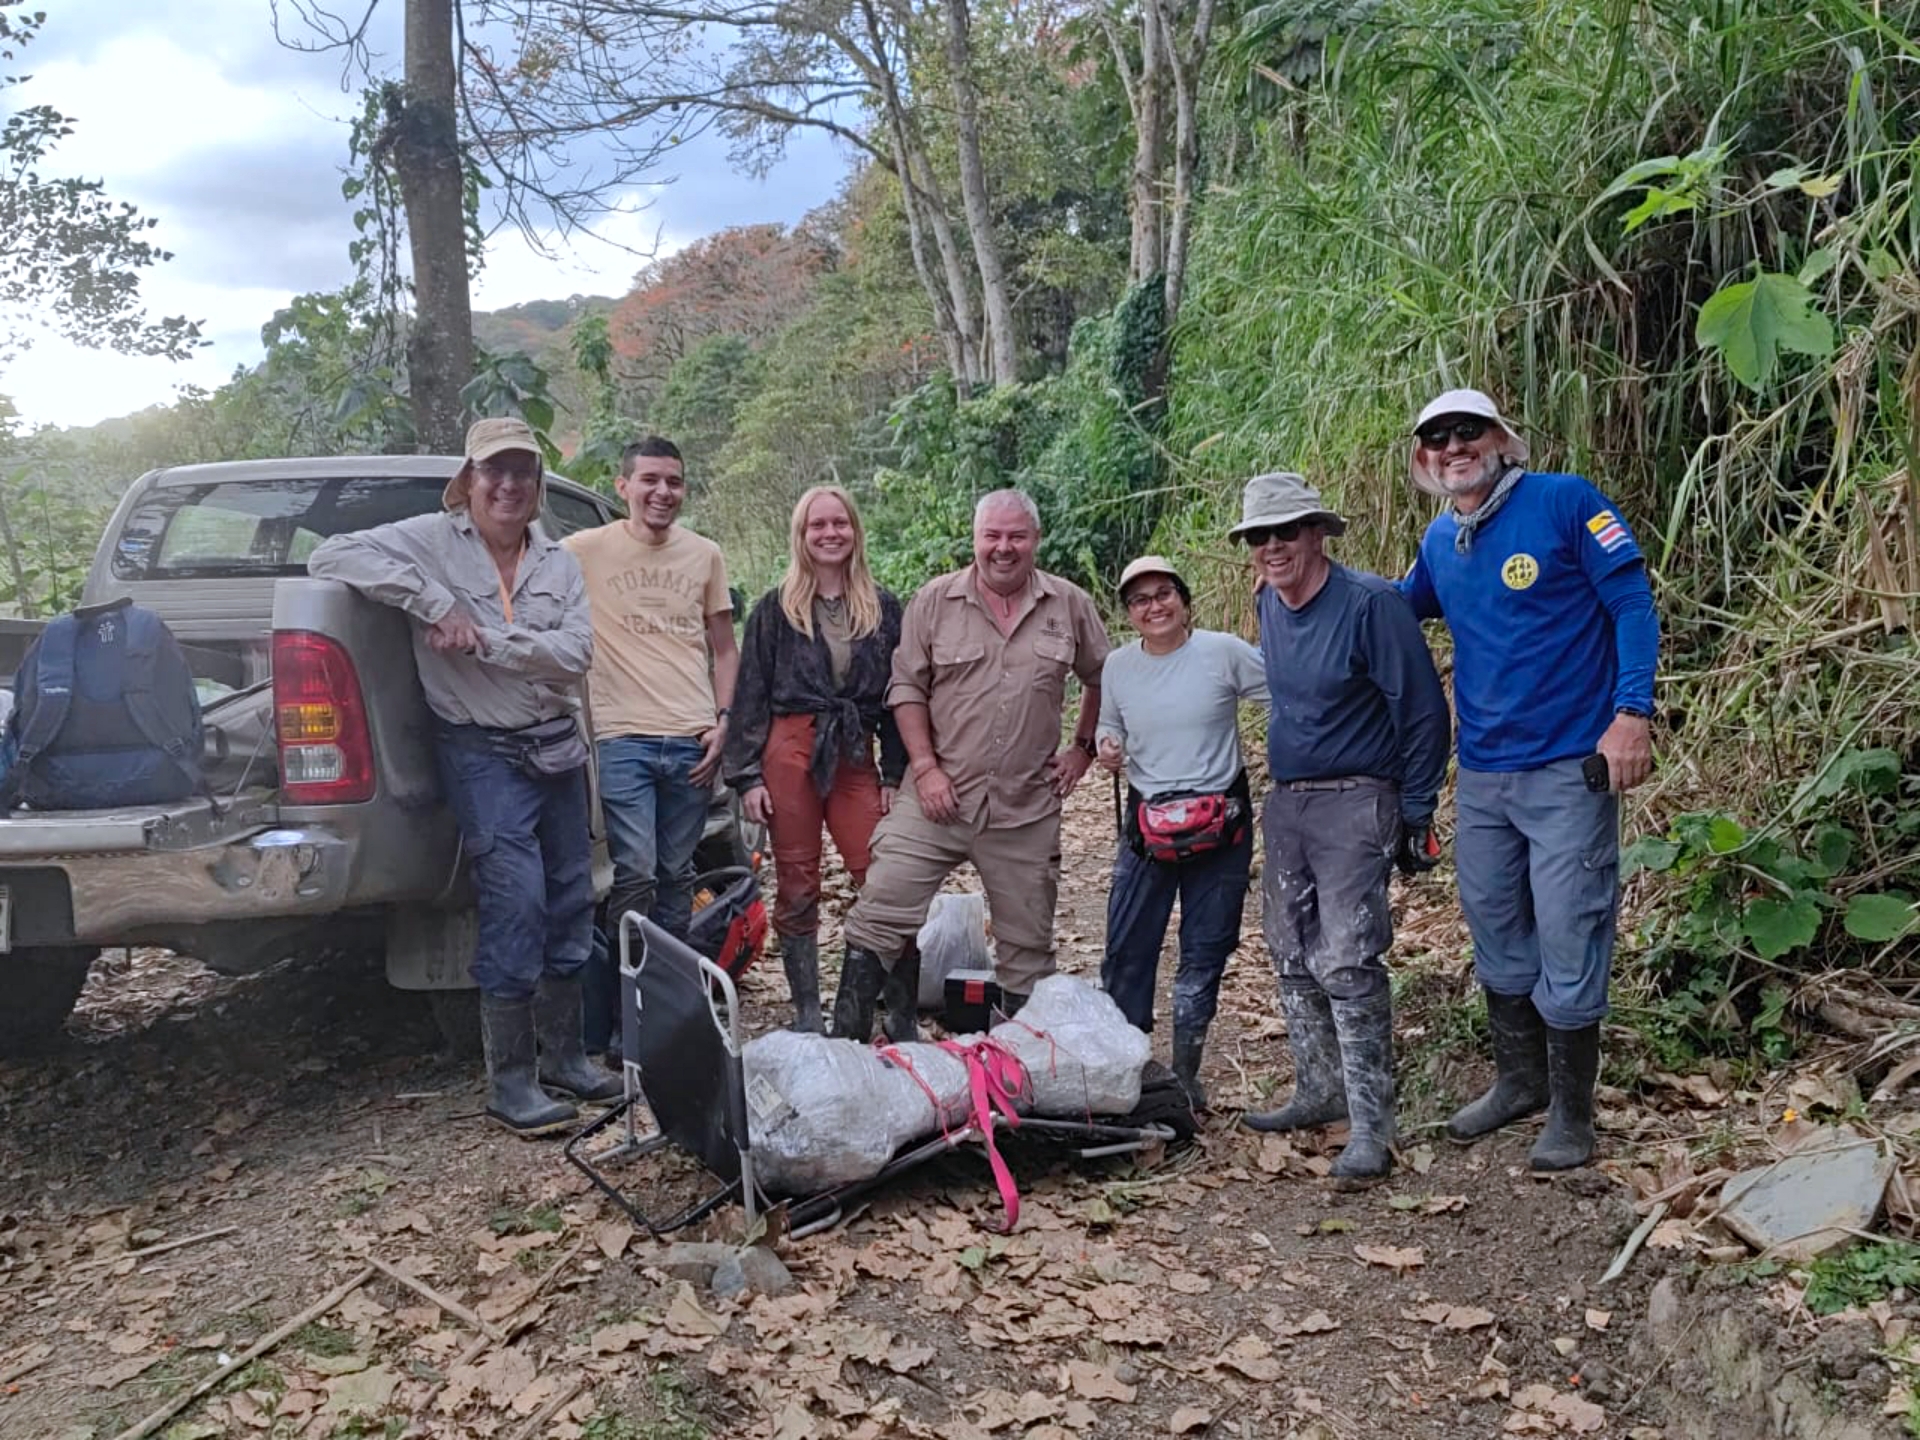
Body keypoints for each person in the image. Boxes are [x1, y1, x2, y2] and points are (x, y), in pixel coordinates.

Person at [308, 418, 621, 1136]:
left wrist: (488, 641)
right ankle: (510, 1083)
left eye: (522, 472)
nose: (509, 485)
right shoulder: (427, 540)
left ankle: (565, 1059)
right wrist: (434, 601)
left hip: (557, 747)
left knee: (572, 898)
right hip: (482, 753)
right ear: (469, 480)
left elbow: (575, 654)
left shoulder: (559, 561)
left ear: (537, 485)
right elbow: (331, 554)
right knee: (518, 902)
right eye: (494, 471)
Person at [1400, 388, 1658, 1172]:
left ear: (1500, 439)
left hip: (1568, 767)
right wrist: (1304, 588)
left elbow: (1631, 602)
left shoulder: (1564, 502)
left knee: (1571, 925)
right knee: (1493, 921)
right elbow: (1395, 610)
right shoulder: (1442, 540)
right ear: (1423, 459)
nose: (1452, 447)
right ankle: (1519, 1081)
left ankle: (1573, 1114)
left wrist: (1632, 713)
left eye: (1466, 431)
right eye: (1436, 438)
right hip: (1483, 774)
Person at [1235, 472, 1451, 1189]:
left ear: (1317, 533)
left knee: (1349, 955)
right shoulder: (1268, 601)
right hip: (1289, 798)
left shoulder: (1371, 604)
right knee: (1289, 947)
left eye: (1285, 532)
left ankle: (1371, 1126)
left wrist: (1416, 811)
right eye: (1259, 536)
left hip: (1358, 797)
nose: (1272, 547)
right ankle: (1317, 1087)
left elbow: (1422, 711)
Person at [834, 489, 1109, 1041]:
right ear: (975, 539)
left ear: (1036, 540)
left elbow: (1104, 676)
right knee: (879, 912)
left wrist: (1083, 749)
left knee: (1028, 950)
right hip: (936, 798)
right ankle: (847, 1052)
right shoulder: (935, 601)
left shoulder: (1069, 604)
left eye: (1016, 536)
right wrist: (926, 768)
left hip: (1024, 808)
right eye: (992, 536)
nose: (1003, 548)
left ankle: (1020, 1066)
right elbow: (906, 688)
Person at [562, 437, 737, 1049]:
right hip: (623, 738)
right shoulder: (583, 550)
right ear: (623, 487)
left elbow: (724, 649)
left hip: (692, 739)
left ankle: (666, 1016)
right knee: (633, 873)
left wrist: (724, 719)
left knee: (676, 875)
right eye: (650, 480)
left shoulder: (705, 554)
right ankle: (623, 1021)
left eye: (674, 481)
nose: (663, 492)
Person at [724, 487, 907, 1031]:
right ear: (801, 536)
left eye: (839, 523)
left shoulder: (883, 607)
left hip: (854, 749)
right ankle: (807, 1012)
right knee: (797, 881)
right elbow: (750, 693)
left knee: (884, 878)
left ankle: (898, 1013)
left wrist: (895, 771)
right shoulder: (775, 608)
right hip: (790, 748)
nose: (830, 534)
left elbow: (901, 694)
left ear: (855, 530)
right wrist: (747, 777)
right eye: (817, 525)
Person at [1094, 555, 1267, 1108]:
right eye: (1140, 600)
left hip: (1221, 820)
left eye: (1164, 594)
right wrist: (1107, 745)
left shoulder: (1223, 652)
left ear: (1185, 601)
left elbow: (1287, 691)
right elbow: (1109, 722)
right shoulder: (1118, 666)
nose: (1154, 607)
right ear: (1129, 613)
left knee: (1206, 946)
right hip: (1147, 823)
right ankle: (1129, 1070)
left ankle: (1187, 1075)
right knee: (1127, 944)